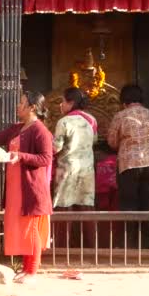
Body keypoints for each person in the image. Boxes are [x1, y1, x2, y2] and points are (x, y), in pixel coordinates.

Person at [0, 90, 52, 284]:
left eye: (21, 103)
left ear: (32, 107)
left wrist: (21, 156)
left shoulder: (40, 130)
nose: (17, 106)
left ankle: (32, 271)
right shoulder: (18, 128)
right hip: (17, 187)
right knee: (24, 229)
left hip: (30, 188)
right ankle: (26, 268)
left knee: (32, 230)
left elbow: (46, 158)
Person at [107, 84, 149, 247]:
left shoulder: (120, 116)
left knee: (129, 205)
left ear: (123, 100)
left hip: (130, 165)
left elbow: (112, 141)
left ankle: (129, 245)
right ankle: (148, 246)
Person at [52, 87, 97, 247]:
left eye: (62, 101)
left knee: (64, 206)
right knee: (86, 206)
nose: (60, 105)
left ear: (71, 102)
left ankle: (62, 248)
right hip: (87, 170)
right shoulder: (91, 120)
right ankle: (91, 248)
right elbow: (94, 141)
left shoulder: (63, 122)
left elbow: (55, 148)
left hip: (66, 169)